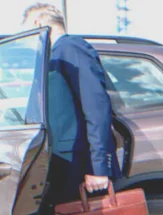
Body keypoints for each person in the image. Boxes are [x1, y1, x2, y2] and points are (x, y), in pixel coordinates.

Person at [21, 3, 122, 214]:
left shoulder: (70, 47)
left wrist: (97, 168)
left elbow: (96, 107)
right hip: (60, 163)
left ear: (38, 24)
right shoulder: (53, 53)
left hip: (77, 164)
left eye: (27, 31)